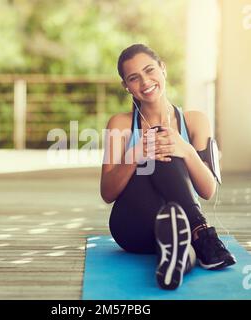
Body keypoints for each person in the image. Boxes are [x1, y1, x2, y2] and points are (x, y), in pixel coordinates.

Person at [100, 44, 236, 290]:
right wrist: (137, 153)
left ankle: (180, 258)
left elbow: (208, 190)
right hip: (132, 227)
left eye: (150, 70)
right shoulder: (119, 124)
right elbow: (107, 193)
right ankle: (202, 235)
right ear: (126, 87)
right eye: (134, 78)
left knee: (177, 237)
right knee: (155, 143)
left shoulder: (195, 121)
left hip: (180, 224)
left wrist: (184, 149)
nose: (145, 81)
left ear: (163, 69)